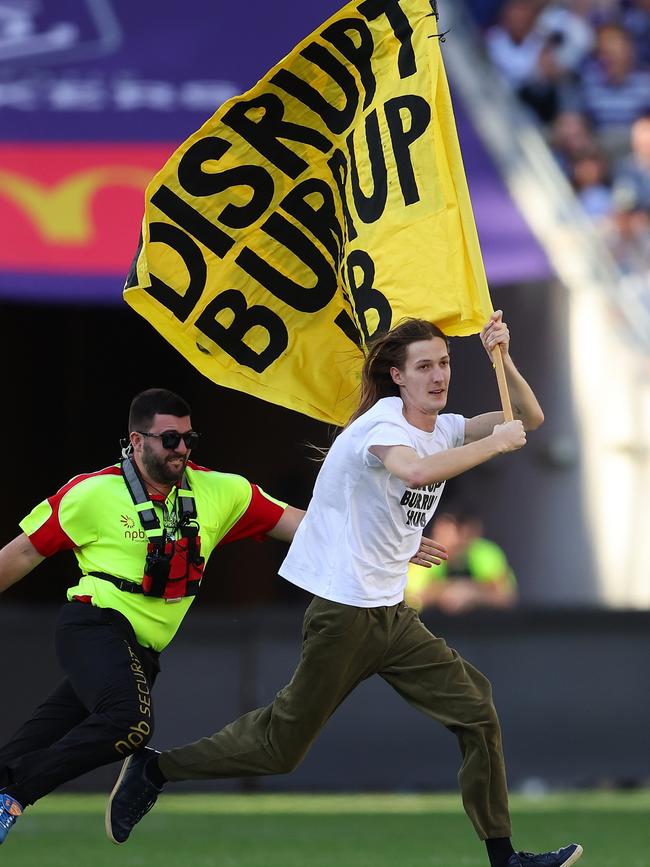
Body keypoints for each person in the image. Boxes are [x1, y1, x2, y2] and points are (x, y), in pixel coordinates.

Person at [107, 314, 583, 867]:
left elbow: (530, 415)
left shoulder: (443, 427)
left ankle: (503, 859)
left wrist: (502, 356)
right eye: (424, 366)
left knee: (477, 709)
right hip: (343, 613)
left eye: (445, 363)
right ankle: (156, 768)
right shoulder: (382, 426)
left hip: (392, 615)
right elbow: (417, 473)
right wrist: (495, 444)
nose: (438, 376)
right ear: (397, 377)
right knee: (280, 748)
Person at [0, 387, 441, 846]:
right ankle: (13, 796)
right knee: (129, 723)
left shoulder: (220, 490)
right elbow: (25, 551)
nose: (183, 450)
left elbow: (302, 524)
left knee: (33, 741)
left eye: (190, 439)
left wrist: (388, 540)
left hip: (142, 651)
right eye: (170, 439)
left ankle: (4, 780)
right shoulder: (93, 492)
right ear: (136, 441)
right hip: (93, 626)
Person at [406, 510, 518, 615]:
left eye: (464, 533)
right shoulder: (426, 552)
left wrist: (473, 593)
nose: (457, 540)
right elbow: (414, 599)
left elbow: (507, 597)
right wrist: (449, 590)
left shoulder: (486, 553)